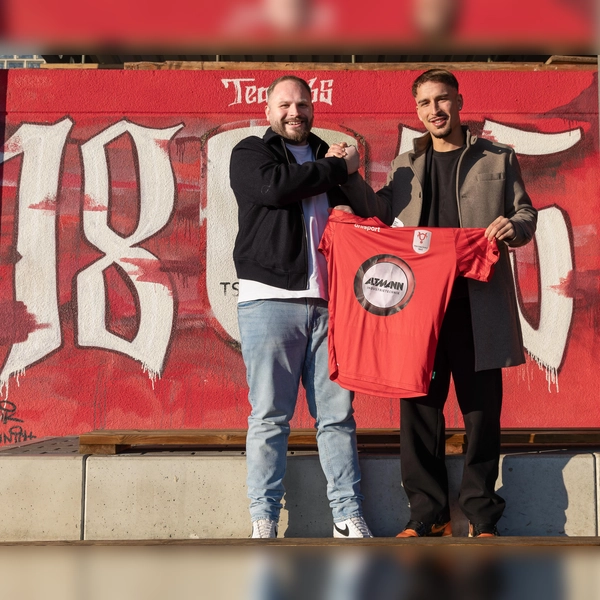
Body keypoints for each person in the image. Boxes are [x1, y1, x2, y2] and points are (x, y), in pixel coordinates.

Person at [329, 68, 537, 538]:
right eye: (424, 103)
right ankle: (428, 515)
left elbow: (526, 212)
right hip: (419, 311)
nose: (434, 111)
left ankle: (482, 518)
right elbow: (382, 212)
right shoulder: (406, 164)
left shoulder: (497, 158)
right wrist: (350, 176)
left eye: (441, 100)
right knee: (419, 410)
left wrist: (515, 228)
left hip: (477, 305)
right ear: (417, 111)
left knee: (481, 413)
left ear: (459, 101)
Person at [229, 75, 372, 539]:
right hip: (270, 301)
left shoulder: (330, 158)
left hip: (332, 305)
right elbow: (276, 188)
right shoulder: (252, 153)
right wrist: (337, 168)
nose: (295, 112)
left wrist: (348, 173)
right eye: (285, 105)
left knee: (337, 417)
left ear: (313, 109)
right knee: (270, 416)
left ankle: (347, 516)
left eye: (303, 104)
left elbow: (371, 214)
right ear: (269, 112)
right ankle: (263, 519)